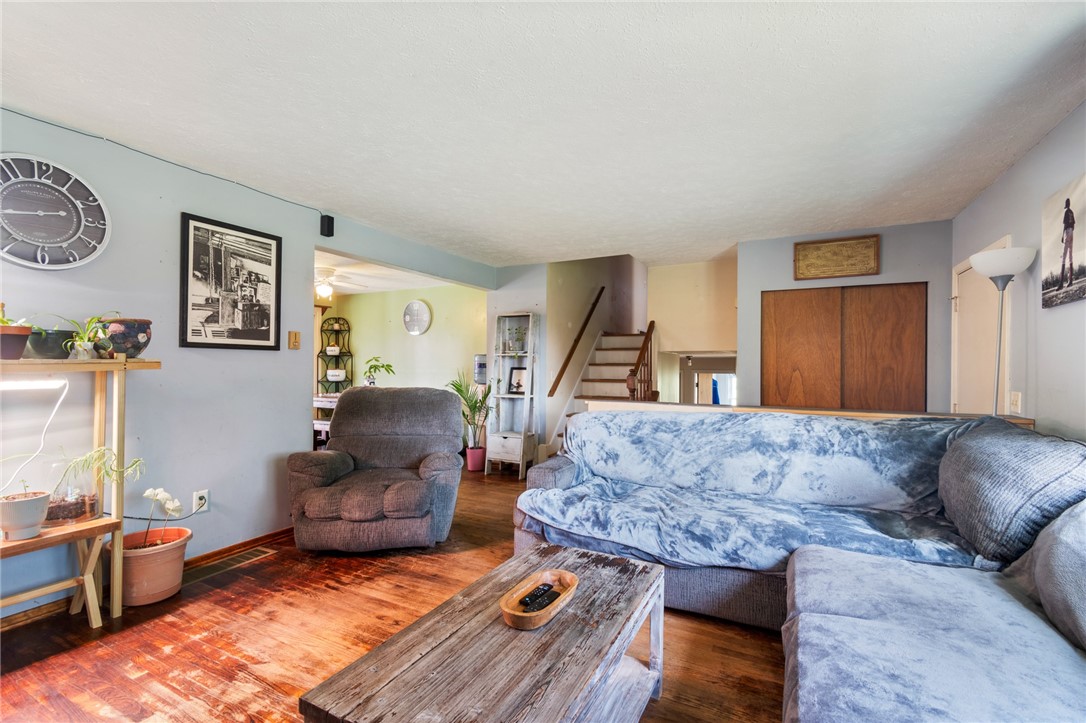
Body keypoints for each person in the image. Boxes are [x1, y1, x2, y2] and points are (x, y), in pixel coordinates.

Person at [1058, 198, 1075, 289]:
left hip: (1067, 232)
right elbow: (1074, 224)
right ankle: (1070, 280)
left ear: (1066, 204)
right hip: (1072, 232)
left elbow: (1065, 225)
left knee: (1064, 256)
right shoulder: (1071, 212)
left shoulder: (1066, 212)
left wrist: (1063, 235)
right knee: (1070, 256)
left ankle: (1061, 283)